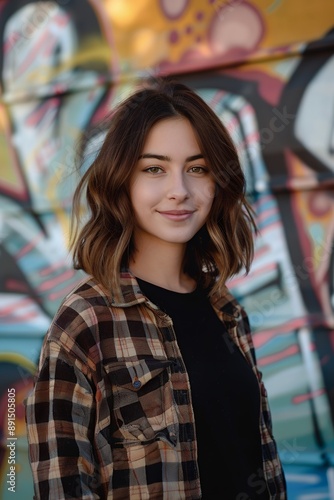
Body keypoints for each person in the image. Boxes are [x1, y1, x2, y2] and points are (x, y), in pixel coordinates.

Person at [25, 78, 287, 499]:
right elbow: (62, 485)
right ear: (121, 182)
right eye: (154, 169)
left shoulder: (227, 311)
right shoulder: (86, 321)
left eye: (197, 169)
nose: (179, 190)